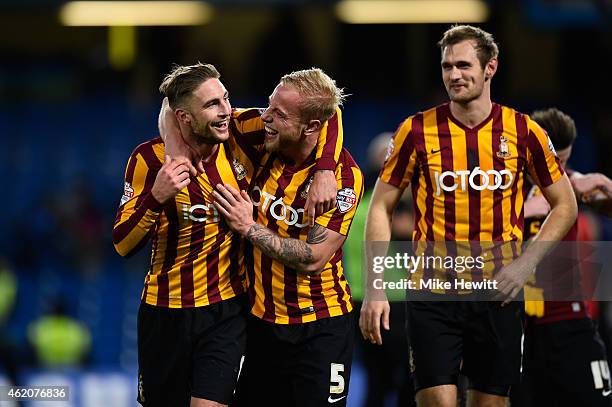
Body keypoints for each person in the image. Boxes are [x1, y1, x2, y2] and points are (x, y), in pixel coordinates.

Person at [359, 25, 577, 407]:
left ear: (490, 67)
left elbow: (566, 205)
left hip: (498, 295)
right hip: (432, 293)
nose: (454, 75)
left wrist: (526, 264)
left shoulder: (523, 131)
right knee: (437, 402)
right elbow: (381, 205)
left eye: (463, 65)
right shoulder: (416, 130)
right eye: (446, 67)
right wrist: (375, 288)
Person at [113, 63, 342, 407]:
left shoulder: (242, 136)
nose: (226, 112)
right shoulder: (148, 159)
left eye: (226, 99)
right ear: (183, 118)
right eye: (212, 105)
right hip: (163, 311)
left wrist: (325, 168)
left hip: (226, 311)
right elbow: (122, 244)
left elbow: (327, 108)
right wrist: (156, 196)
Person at [209, 68, 363, 406]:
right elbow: (194, 111)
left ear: (311, 128)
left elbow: (314, 258)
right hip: (261, 325)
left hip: (320, 325)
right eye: (269, 106)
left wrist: (248, 226)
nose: (265, 117)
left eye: (279, 114)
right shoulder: (262, 140)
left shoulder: (344, 178)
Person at [512, 107, 612, 407]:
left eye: (564, 162)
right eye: (554, 161)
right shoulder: (502, 186)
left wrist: (607, 187)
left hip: (569, 322)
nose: (559, 169)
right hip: (517, 327)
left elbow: (601, 200)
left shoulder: (571, 181)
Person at [344, 132, 415, 407]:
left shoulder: (354, 209)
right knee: (408, 383)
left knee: (376, 381)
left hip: (360, 303)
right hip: (397, 305)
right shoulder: (397, 211)